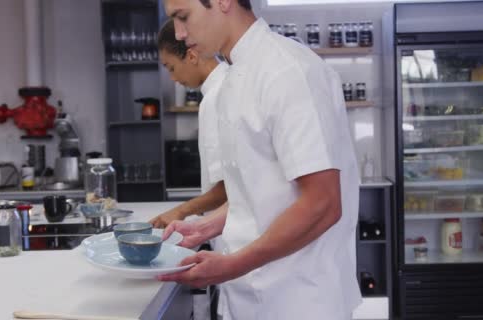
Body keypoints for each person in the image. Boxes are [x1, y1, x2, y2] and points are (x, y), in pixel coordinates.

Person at [159, 0, 362, 319]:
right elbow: (256, 192)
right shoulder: (234, 77)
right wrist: (205, 227)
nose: (180, 34)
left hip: (298, 302)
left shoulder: (287, 71)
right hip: (248, 299)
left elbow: (323, 204)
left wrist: (230, 265)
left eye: (183, 18)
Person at [149, 20, 229, 229]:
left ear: (192, 56)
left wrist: (181, 211)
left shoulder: (215, 99)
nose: (173, 78)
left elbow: (227, 189)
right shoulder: (227, 84)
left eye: (171, 67)